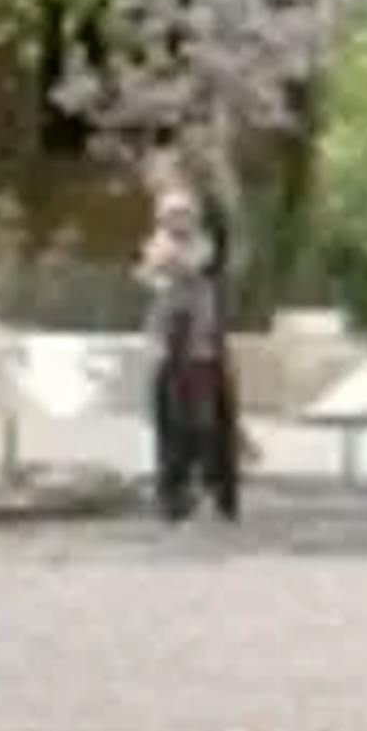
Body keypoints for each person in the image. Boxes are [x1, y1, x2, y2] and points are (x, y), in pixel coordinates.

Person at [138, 174, 241, 523]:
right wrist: (162, 265)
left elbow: (189, 266)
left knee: (203, 420)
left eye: (182, 214)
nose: (175, 221)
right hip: (167, 344)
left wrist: (169, 264)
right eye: (169, 215)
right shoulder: (157, 242)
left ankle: (213, 487)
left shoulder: (203, 242)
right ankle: (172, 490)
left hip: (199, 346)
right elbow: (150, 272)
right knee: (168, 418)